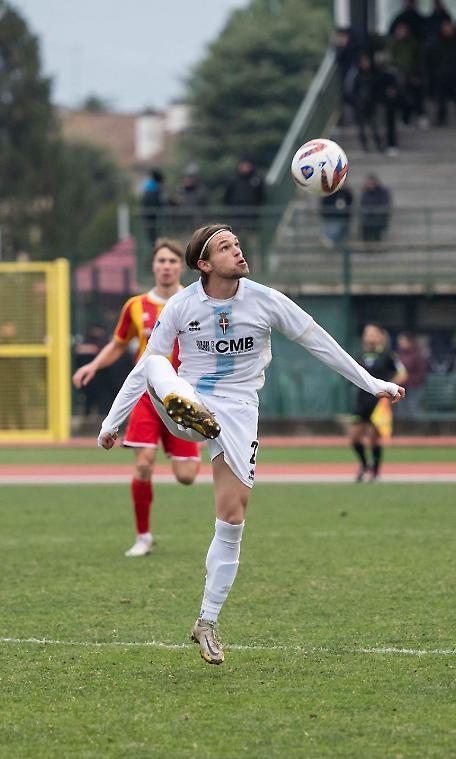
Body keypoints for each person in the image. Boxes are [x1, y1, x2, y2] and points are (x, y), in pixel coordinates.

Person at [96, 222, 405, 664]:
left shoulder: (265, 299)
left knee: (233, 515)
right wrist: (112, 423)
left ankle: (207, 619)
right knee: (154, 363)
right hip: (187, 398)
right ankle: (188, 409)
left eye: (238, 244)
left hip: (238, 411)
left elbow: (318, 342)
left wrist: (372, 382)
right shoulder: (182, 305)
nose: (238, 252)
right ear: (204, 263)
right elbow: (143, 366)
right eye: (226, 247)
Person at [73, 240, 201, 558]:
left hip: (183, 397)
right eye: (161, 260)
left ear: (180, 266)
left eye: (172, 260)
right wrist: (92, 364)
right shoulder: (135, 305)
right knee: (143, 464)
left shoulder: (194, 301)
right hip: (147, 394)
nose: (167, 265)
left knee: (186, 477)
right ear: (153, 266)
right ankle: (143, 536)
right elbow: (118, 344)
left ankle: (188, 449)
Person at [349, 324, 408, 483]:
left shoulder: (388, 356)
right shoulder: (360, 356)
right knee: (354, 437)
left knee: (374, 438)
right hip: (362, 401)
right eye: (367, 334)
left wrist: (389, 387)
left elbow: (403, 374)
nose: (370, 337)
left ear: (380, 337)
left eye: (374, 334)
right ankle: (364, 464)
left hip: (379, 402)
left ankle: (375, 472)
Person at [359, 174, 392, 242]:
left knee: (376, 223)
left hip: (379, 217)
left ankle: (377, 243)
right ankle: (367, 244)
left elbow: (384, 204)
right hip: (368, 217)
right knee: (365, 224)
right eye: (369, 183)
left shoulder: (383, 192)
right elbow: (363, 205)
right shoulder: (365, 193)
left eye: (372, 182)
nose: (370, 184)